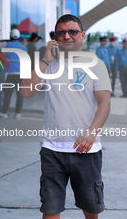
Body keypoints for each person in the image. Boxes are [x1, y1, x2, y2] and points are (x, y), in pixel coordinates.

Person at [21, 14, 111, 219]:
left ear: (82, 35)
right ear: (55, 38)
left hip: (86, 148)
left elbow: (104, 103)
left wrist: (91, 133)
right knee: (51, 209)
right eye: (61, 33)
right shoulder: (48, 65)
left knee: (91, 208)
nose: (67, 36)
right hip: (53, 149)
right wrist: (45, 60)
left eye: (72, 31)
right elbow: (26, 92)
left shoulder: (96, 64)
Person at [0, 29, 27, 119]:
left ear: (10, 36)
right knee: (20, 94)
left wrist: (5, 40)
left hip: (11, 74)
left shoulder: (7, 45)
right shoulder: (24, 47)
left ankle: (4, 112)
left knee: (8, 94)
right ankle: (18, 113)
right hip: (22, 74)